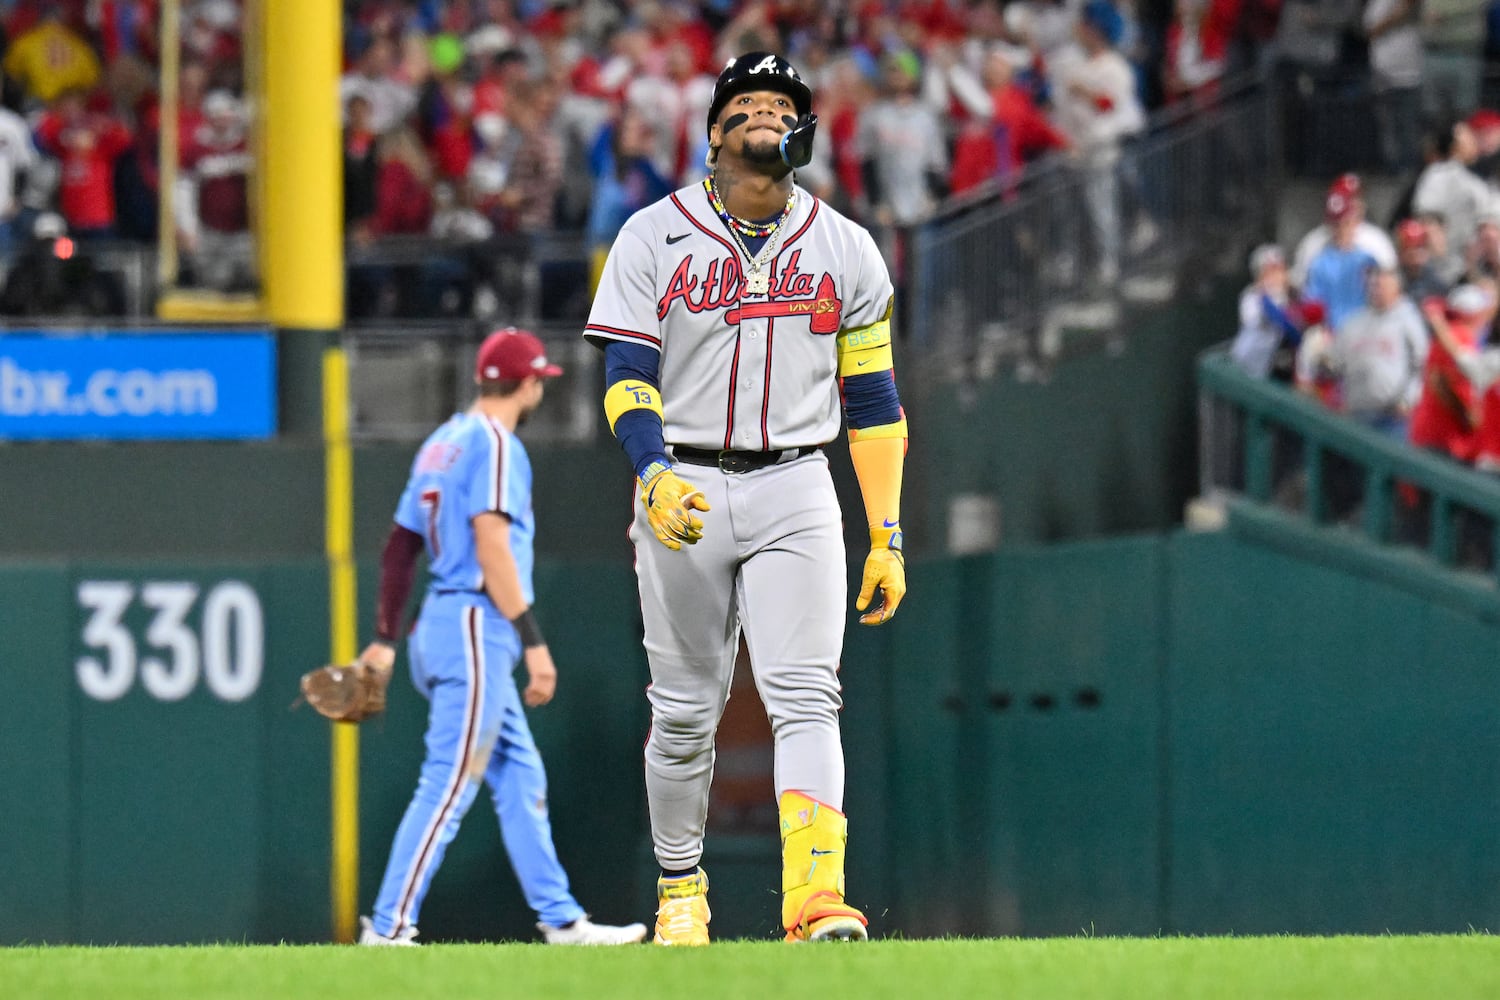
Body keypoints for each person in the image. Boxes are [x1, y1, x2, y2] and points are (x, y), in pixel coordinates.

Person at [581, 51, 908, 946]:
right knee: (685, 711)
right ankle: (682, 891)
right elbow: (626, 372)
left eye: (782, 104)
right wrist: (650, 473)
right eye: (748, 102)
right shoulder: (654, 233)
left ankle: (815, 900)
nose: (767, 113)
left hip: (800, 477)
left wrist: (886, 531)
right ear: (715, 132)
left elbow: (874, 400)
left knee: (807, 694)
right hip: (682, 474)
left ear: (802, 133)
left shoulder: (846, 247)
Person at [355, 328, 648, 948]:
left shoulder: (443, 442)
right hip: (473, 624)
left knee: (518, 774)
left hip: (439, 622)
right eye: (540, 378)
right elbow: (491, 543)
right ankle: (388, 927)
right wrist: (534, 642)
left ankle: (563, 920)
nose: (541, 387)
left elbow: (400, 544)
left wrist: (384, 637)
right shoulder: (494, 444)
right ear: (529, 382)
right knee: (451, 778)